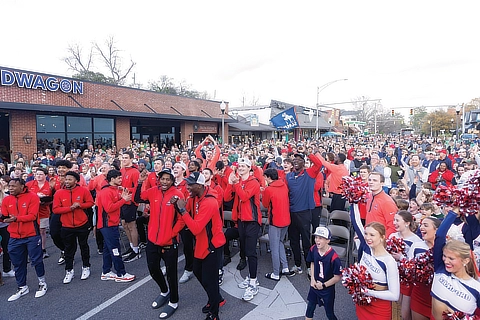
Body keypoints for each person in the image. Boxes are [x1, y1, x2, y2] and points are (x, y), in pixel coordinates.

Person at [174, 172, 226, 320]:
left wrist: (182, 210)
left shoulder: (209, 202)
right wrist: (177, 206)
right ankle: (216, 298)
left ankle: (214, 314)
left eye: (190, 184)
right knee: (197, 271)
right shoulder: (194, 197)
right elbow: (187, 215)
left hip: (212, 245)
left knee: (211, 280)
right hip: (202, 243)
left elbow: (195, 227)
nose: (187, 186)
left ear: (199, 185)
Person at [136, 168, 185, 320]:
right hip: (152, 241)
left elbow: (182, 218)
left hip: (169, 242)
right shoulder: (152, 191)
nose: (164, 182)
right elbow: (138, 198)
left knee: (171, 274)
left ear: (172, 181)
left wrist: (171, 233)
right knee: (153, 269)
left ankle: (174, 301)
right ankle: (164, 291)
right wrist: (140, 182)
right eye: (162, 179)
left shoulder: (178, 195)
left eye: (167, 179)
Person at [350, 203, 400, 319]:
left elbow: (394, 295)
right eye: (366, 234)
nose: (368, 237)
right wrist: (354, 201)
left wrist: (368, 292)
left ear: (382, 237)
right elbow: (356, 221)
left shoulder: (389, 262)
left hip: (379, 308)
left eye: (372, 235)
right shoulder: (366, 248)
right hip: (362, 303)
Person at [2, 178, 47, 301]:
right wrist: (5, 218)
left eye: (13, 186)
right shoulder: (7, 199)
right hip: (15, 237)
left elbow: (32, 216)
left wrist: (15, 219)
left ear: (22, 186)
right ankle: (22, 287)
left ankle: (42, 283)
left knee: (36, 260)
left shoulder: (32, 197)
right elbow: (4, 215)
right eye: (9, 186)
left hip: (31, 235)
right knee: (18, 263)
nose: (10, 188)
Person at [224, 157, 262, 301]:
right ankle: (252, 279)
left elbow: (245, 197)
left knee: (251, 252)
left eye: (243, 166)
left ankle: (253, 281)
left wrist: (236, 184)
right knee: (244, 250)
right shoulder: (238, 182)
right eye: (239, 166)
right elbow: (227, 197)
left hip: (252, 221)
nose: (240, 168)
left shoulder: (253, 182)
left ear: (249, 168)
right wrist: (229, 183)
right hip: (240, 221)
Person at [431, 209, 480, 319]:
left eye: (451, 258)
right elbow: (439, 235)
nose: (446, 261)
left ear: (465, 260)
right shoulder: (440, 269)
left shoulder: (477, 288)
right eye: (444, 256)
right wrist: (455, 211)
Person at [52, 171, 94, 283]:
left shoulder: (83, 190)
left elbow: (90, 203)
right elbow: (55, 209)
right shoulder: (59, 193)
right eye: (66, 179)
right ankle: (69, 271)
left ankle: (86, 267)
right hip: (66, 225)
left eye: (70, 179)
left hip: (82, 224)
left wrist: (80, 205)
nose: (67, 181)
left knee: (84, 246)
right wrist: (70, 208)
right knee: (68, 249)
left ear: (76, 181)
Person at [96, 169, 135, 283]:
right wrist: (123, 200)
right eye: (118, 178)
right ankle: (121, 273)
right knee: (115, 249)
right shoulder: (106, 191)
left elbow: (115, 203)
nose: (121, 179)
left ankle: (106, 271)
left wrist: (122, 199)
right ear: (112, 179)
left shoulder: (113, 190)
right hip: (107, 224)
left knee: (108, 248)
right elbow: (109, 208)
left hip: (110, 223)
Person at [286, 152, 322, 275]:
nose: (296, 161)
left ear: (304, 162)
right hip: (291, 212)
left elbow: (319, 164)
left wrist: (308, 153)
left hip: (304, 212)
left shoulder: (309, 173)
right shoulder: (289, 176)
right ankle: (297, 264)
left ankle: (308, 266)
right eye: (294, 159)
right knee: (293, 240)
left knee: (306, 241)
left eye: (299, 159)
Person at [389, 210, 422, 320]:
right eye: (394, 220)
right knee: (394, 308)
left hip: (407, 279)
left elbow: (415, 263)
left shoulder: (416, 241)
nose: (394, 223)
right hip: (393, 275)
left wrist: (401, 258)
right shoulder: (393, 236)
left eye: (397, 220)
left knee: (405, 314)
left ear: (407, 223)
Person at [262, 168, 293, 281]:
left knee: (274, 247)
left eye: (265, 177)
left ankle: (276, 273)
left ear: (269, 178)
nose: (264, 179)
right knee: (280, 243)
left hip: (275, 221)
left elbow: (265, 204)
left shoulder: (269, 189)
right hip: (286, 219)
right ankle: (284, 267)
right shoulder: (283, 185)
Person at [305, 226, 342, 320]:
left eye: (320, 238)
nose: (317, 240)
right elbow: (312, 262)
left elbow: (337, 277)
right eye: (316, 237)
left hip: (327, 289)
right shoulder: (313, 249)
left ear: (328, 240)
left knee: (329, 313)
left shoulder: (334, 257)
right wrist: (312, 278)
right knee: (310, 309)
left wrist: (324, 285)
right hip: (315, 285)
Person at [25, 167, 53, 259]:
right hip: (30, 211)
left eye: (41, 174)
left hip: (43, 211)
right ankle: (32, 251)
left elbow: (52, 199)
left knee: (42, 231)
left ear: (45, 175)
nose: (38, 176)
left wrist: (45, 201)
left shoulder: (49, 185)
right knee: (31, 231)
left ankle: (43, 249)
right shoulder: (29, 184)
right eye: (37, 174)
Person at [120, 151, 141, 262]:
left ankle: (136, 251)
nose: (123, 159)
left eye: (126, 158)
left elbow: (138, 189)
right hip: (122, 201)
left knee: (131, 225)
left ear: (131, 159)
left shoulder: (135, 172)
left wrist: (124, 189)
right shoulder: (122, 170)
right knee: (124, 224)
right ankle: (132, 246)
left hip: (130, 202)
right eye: (123, 157)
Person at [365, 172, 398, 237]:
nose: (371, 182)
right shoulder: (369, 197)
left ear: (382, 183)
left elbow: (393, 227)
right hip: (369, 238)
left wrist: (382, 240)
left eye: (375, 180)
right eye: (369, 180)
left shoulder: (387, 202)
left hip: (380, 241)